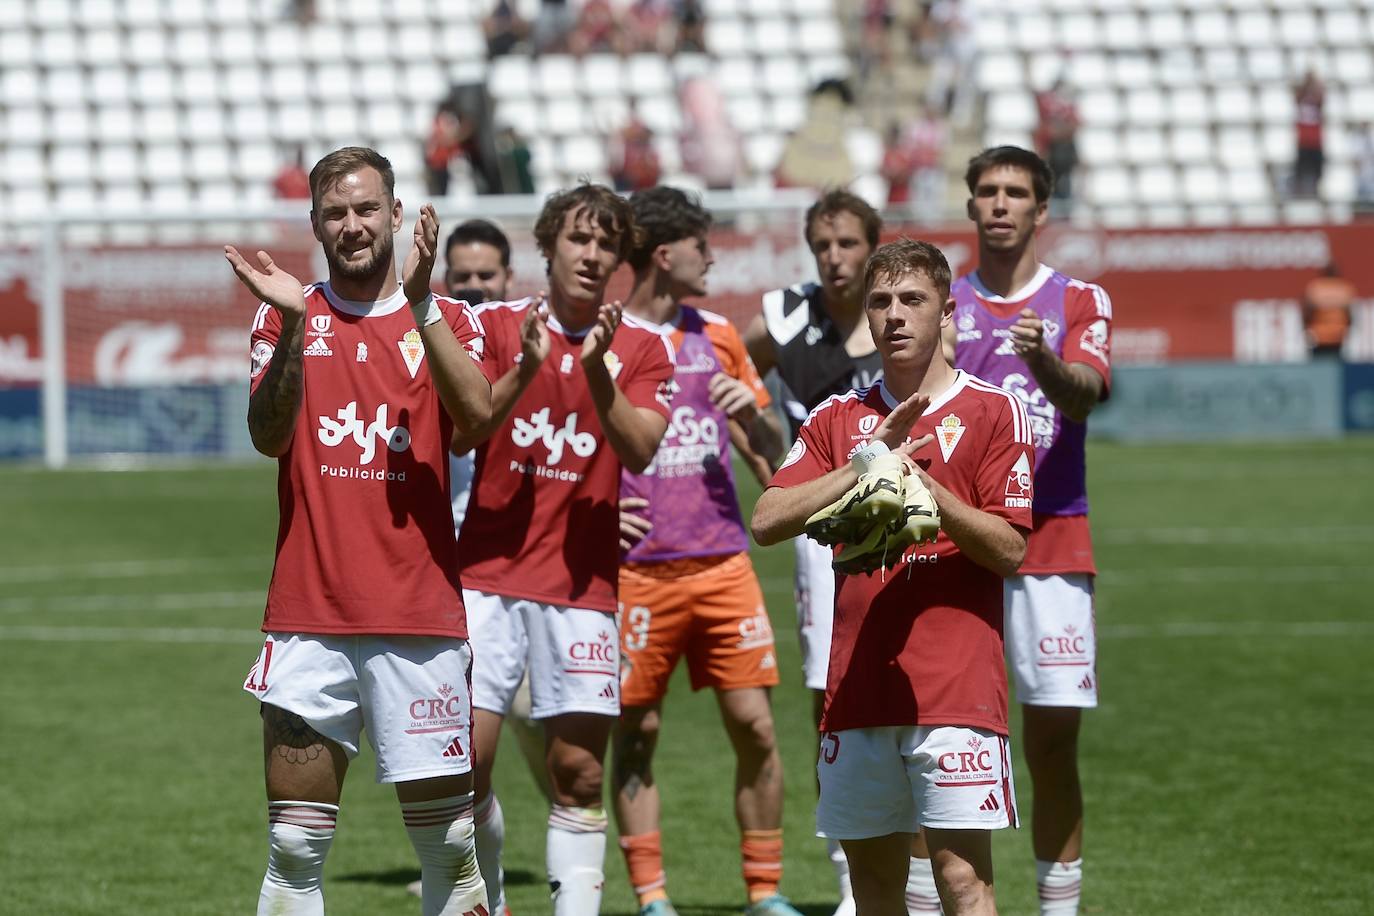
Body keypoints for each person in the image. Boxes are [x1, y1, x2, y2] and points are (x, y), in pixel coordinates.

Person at [231, 146, 494, 915]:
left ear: (396, 212)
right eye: (336, 213)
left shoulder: (446, 318)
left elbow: (476, 420)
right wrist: (288, 325)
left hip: (418, 620)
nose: (353, 225)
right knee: (294, 849)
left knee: (449, 849)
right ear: (315, 223)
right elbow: (269, 435)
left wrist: (419, 306)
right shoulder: (286, 314)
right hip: (309, 621)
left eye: (366, 208)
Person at [752, 238, 1034, 915]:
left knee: (963, 883)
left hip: (957, 692)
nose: (895, 315)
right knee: (874, 888)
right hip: (857, 690)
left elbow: (1010, 550)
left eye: (913, 300)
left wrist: (929, 494)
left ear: (946, 311)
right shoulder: (836, 417)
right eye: (881, 302)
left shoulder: (995, 410)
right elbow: (766, 518)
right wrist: (868, 463)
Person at [454, 183, 676, 915]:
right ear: (548, 246)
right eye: (578, 239)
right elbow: (461, 433)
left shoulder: (642, 346)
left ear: (619, 259)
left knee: (579, 774)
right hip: (485, 579)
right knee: (464, 770)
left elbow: (641, 450)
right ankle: (488, 903)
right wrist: (524, 367)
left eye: (605, 243)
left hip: (580, 593)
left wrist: (597, 373)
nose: (590, 254)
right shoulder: (496, 327)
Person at [610, 187, 796, 916]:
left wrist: (754, 414)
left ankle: (765, 892)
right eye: (701, 245)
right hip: (635, 572)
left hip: (723, 562)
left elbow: (773, 464)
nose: (713, 256)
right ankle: (653, 899)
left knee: (754, 726)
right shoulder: (604, 338)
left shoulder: (719, 334)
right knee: (637, 734)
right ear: (664, 254)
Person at [941, 146, 1114, 916]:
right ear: (972, 207)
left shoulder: (1079, 301)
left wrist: (1042, 361)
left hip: (1052, 550)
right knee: (944, 746)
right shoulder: (943, 304)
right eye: (988, 192)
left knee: (1050, 746)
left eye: (1016, 193)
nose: (1001, 204)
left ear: (1042, 211)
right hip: (959, 550)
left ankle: (1058, 910)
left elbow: (1083, 398)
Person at [742, 188, 883, 916]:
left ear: (873, 245)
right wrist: (766, 449)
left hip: (904, 530)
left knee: (900, 702)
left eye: (848, 243)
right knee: (829, 704)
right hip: (822, 536)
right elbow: (729, 369)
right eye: (822, 244)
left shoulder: (901, 311)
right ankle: (851, 884)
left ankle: (909, 877)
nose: (834, 257)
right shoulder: (789, 315)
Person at [1302, 263, 1355, 360]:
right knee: (1336, 364)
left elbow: (1307, 313)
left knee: (1318, 365)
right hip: (1338, 334)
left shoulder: (1316, 288)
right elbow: (1349, 315)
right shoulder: (1344, 289)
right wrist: (1348, 330)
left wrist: (1305, 329)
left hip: (1318, 335)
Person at [1293, 71, 1325, 198]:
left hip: (1316, 142)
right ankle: (1300, 192)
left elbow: (1321, 95)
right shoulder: (1301, 99)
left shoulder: (1317, 101)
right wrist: (1307, 81)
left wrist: (1314, 81)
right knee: (1301, 170)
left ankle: (1316, 192)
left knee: (1317, 170)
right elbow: (1296, 93)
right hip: (1303, 142)